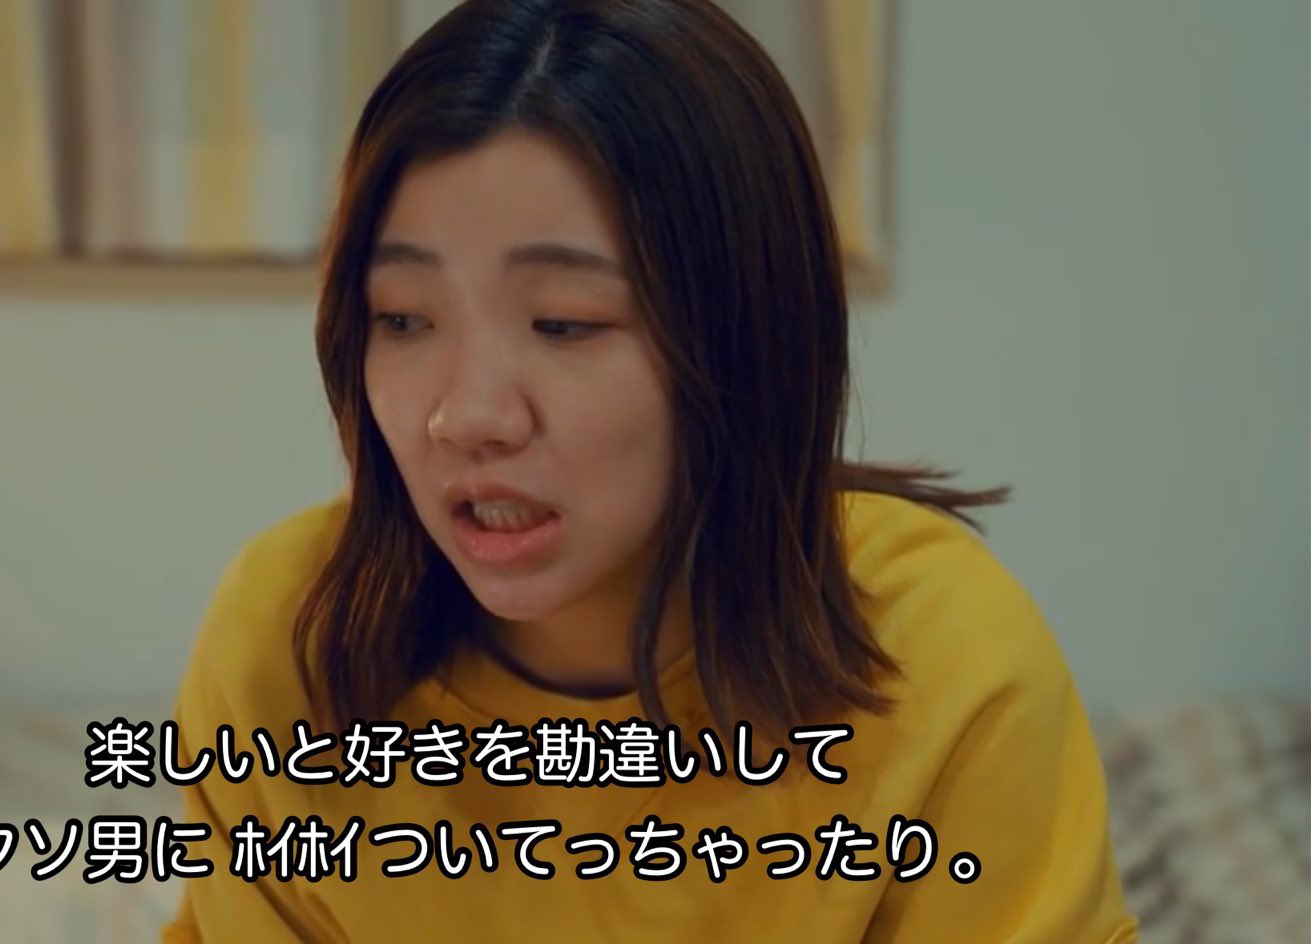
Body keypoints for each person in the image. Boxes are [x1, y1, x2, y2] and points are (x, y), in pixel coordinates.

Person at [162, 1, 1137, 940]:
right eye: (403, 317)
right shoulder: (288, 641)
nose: (466, 417)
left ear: (743, 334)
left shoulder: (939, 661)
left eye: (564, 323)